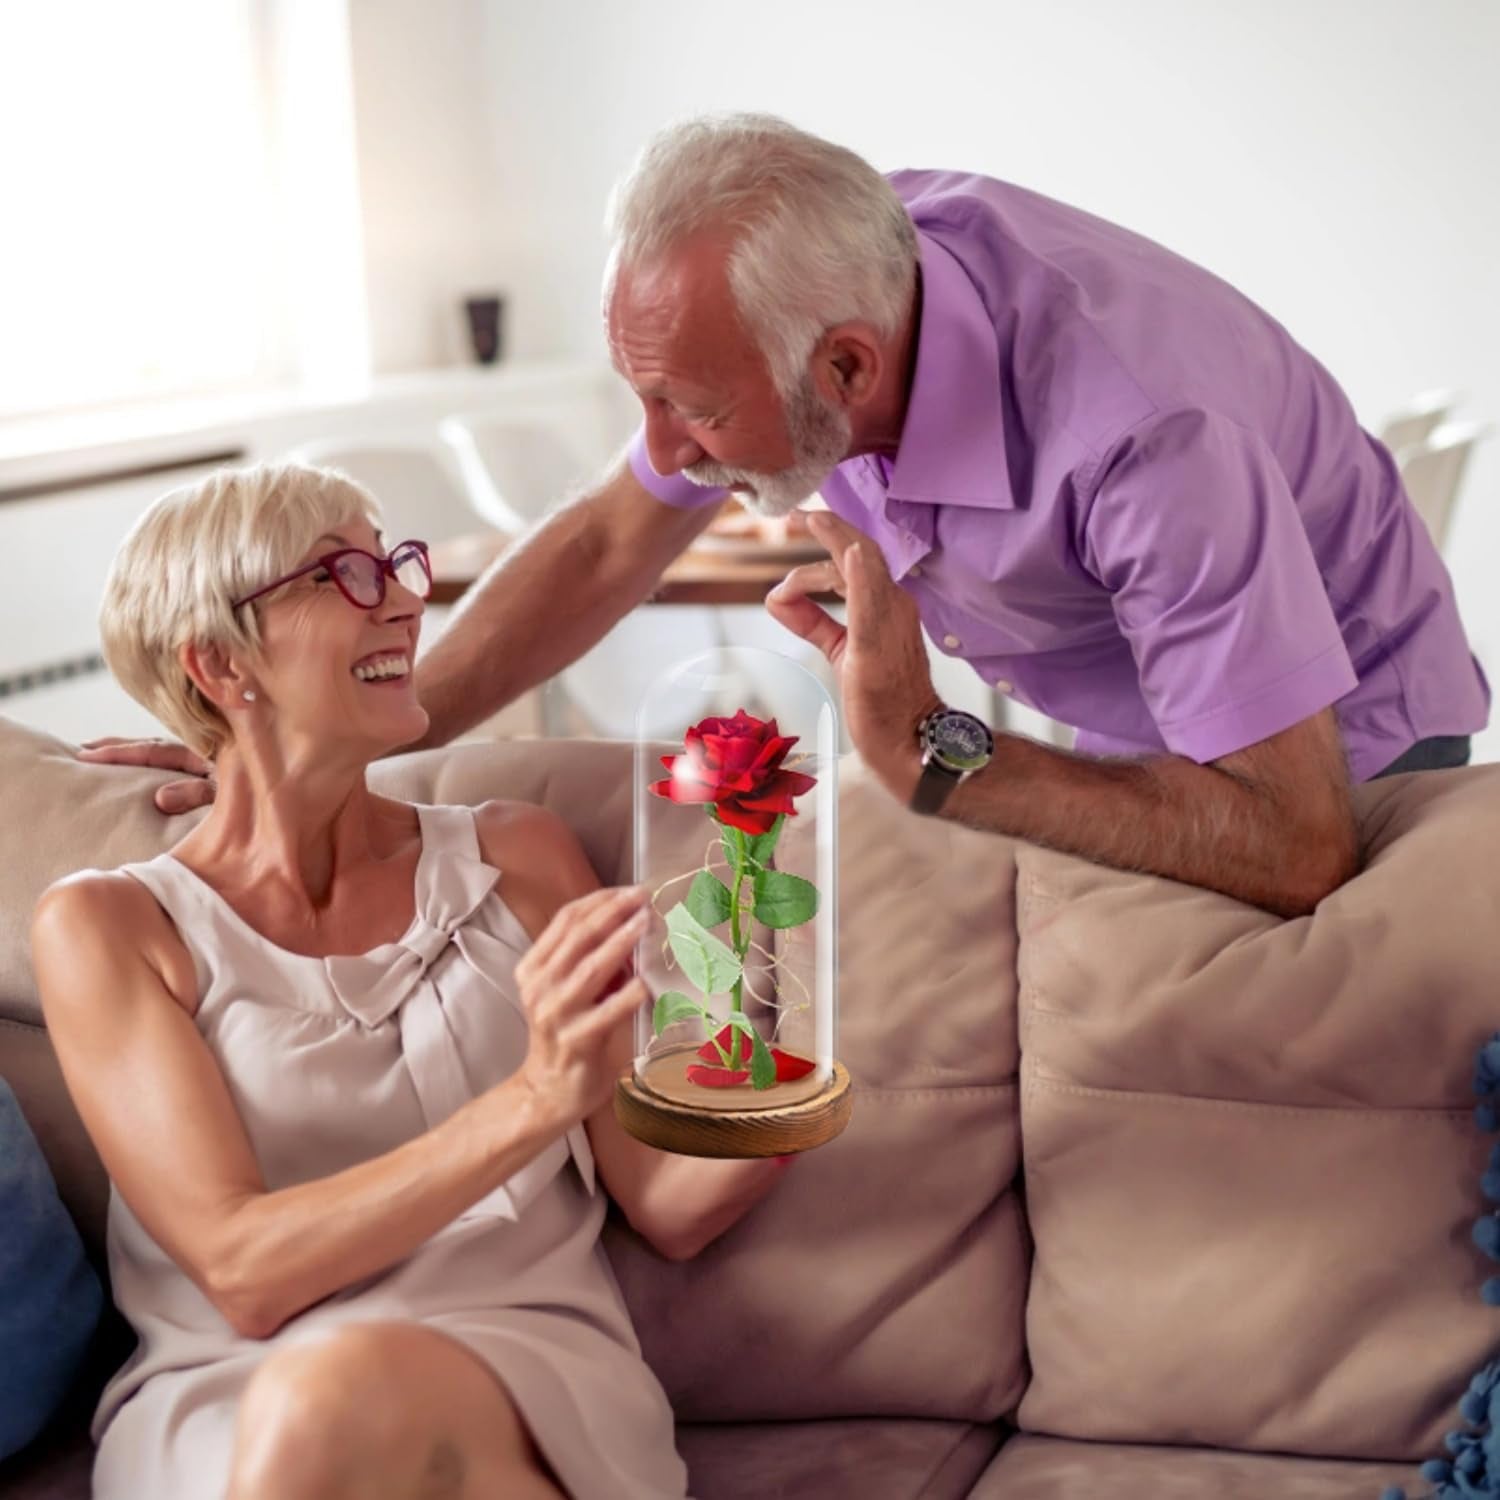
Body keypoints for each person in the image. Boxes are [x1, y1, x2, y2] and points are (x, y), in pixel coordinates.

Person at [86, 114, 1489, 920]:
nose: (662, 453)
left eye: (690, 412)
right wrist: (344, 741)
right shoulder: (834, 278)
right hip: (1119, 705)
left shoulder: (1142, 432)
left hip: (1340, 747)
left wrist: (932, 753)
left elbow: (1290, 837)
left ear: (847, 370)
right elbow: (603, 539)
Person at [35, 463, 790, 1500]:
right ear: (218, 663)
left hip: (520, 1374)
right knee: (326, 1396)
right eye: (342, 574)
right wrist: (534, 1100)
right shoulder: (110, 926)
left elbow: (667, 1201)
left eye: (394, 563)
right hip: (226, 1403)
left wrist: (794, 1012)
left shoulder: (518, 858)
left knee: (347, 1392)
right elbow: (243, 1273)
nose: (403, 597)